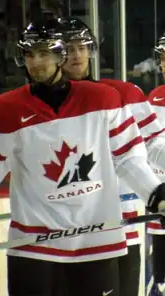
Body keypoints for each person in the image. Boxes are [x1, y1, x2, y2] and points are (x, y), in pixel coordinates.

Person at [0, 18, 165, 296]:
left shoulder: (104, 100)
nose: (36, 62)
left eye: (44, 53)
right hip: (33, 246)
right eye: (30, 54)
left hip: (98, 241)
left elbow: (128, 157)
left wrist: (156, 195)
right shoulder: (5, 109)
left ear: (60, 55)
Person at [59, 17, 165, 296]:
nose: (77, 55)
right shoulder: (42, 109)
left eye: (82, 47)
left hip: (122, 227)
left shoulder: (125, 94)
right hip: (63, 234)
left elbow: (155, 146)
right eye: (69, 48)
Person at [147, 33, 165, 290]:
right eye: (162, 59)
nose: (163, 65)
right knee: (160, 279)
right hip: (161, 203)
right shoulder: (154, 98)